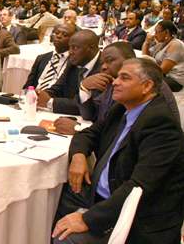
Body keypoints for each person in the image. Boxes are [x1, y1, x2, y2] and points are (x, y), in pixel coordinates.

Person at [52, 58, 184, 244]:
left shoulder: (161, 126)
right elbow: (88, 134)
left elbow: (139, 188)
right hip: (104, 193)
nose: (115, 82)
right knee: (53, 199)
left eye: (124, 78)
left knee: (65, 237)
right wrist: (79, 156)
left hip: (134, 217)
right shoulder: (122, 109)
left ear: (146, 86)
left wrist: (87, 219)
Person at [53, 42, 180, 134]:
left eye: (109, 60)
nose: (103, 67)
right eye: (103, 62)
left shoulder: (149, 84)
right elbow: (92, 114)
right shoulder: (115, 82)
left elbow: (120, 136)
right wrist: (84, 88)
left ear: (130, 60)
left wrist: (79, 129)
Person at [37, 30, 101, 115]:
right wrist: (40, 94)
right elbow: (57, 88)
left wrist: (50, 102)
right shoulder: (73, 63)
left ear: (91, 48)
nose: (70, 52)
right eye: (69, 47)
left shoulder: (104, 67)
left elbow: (92, 107)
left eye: (75, 48)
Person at [24, 23, 75, 90]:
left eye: (64, 35)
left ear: (73, 39)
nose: (59, 36)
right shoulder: (42, 58)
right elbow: (29, 85)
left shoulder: (75, 62)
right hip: (34, 96)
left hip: (55, 99)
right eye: (56, 33)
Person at [142, 20, 184, 92]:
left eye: (157, 32)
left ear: (167, 32)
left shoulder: (176, 45)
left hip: (174, 80)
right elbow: (146, 57)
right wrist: (147, 42)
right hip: (163, 76)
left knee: (143, 82)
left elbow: (163, 70)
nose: (155, 35)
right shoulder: (161, 43)